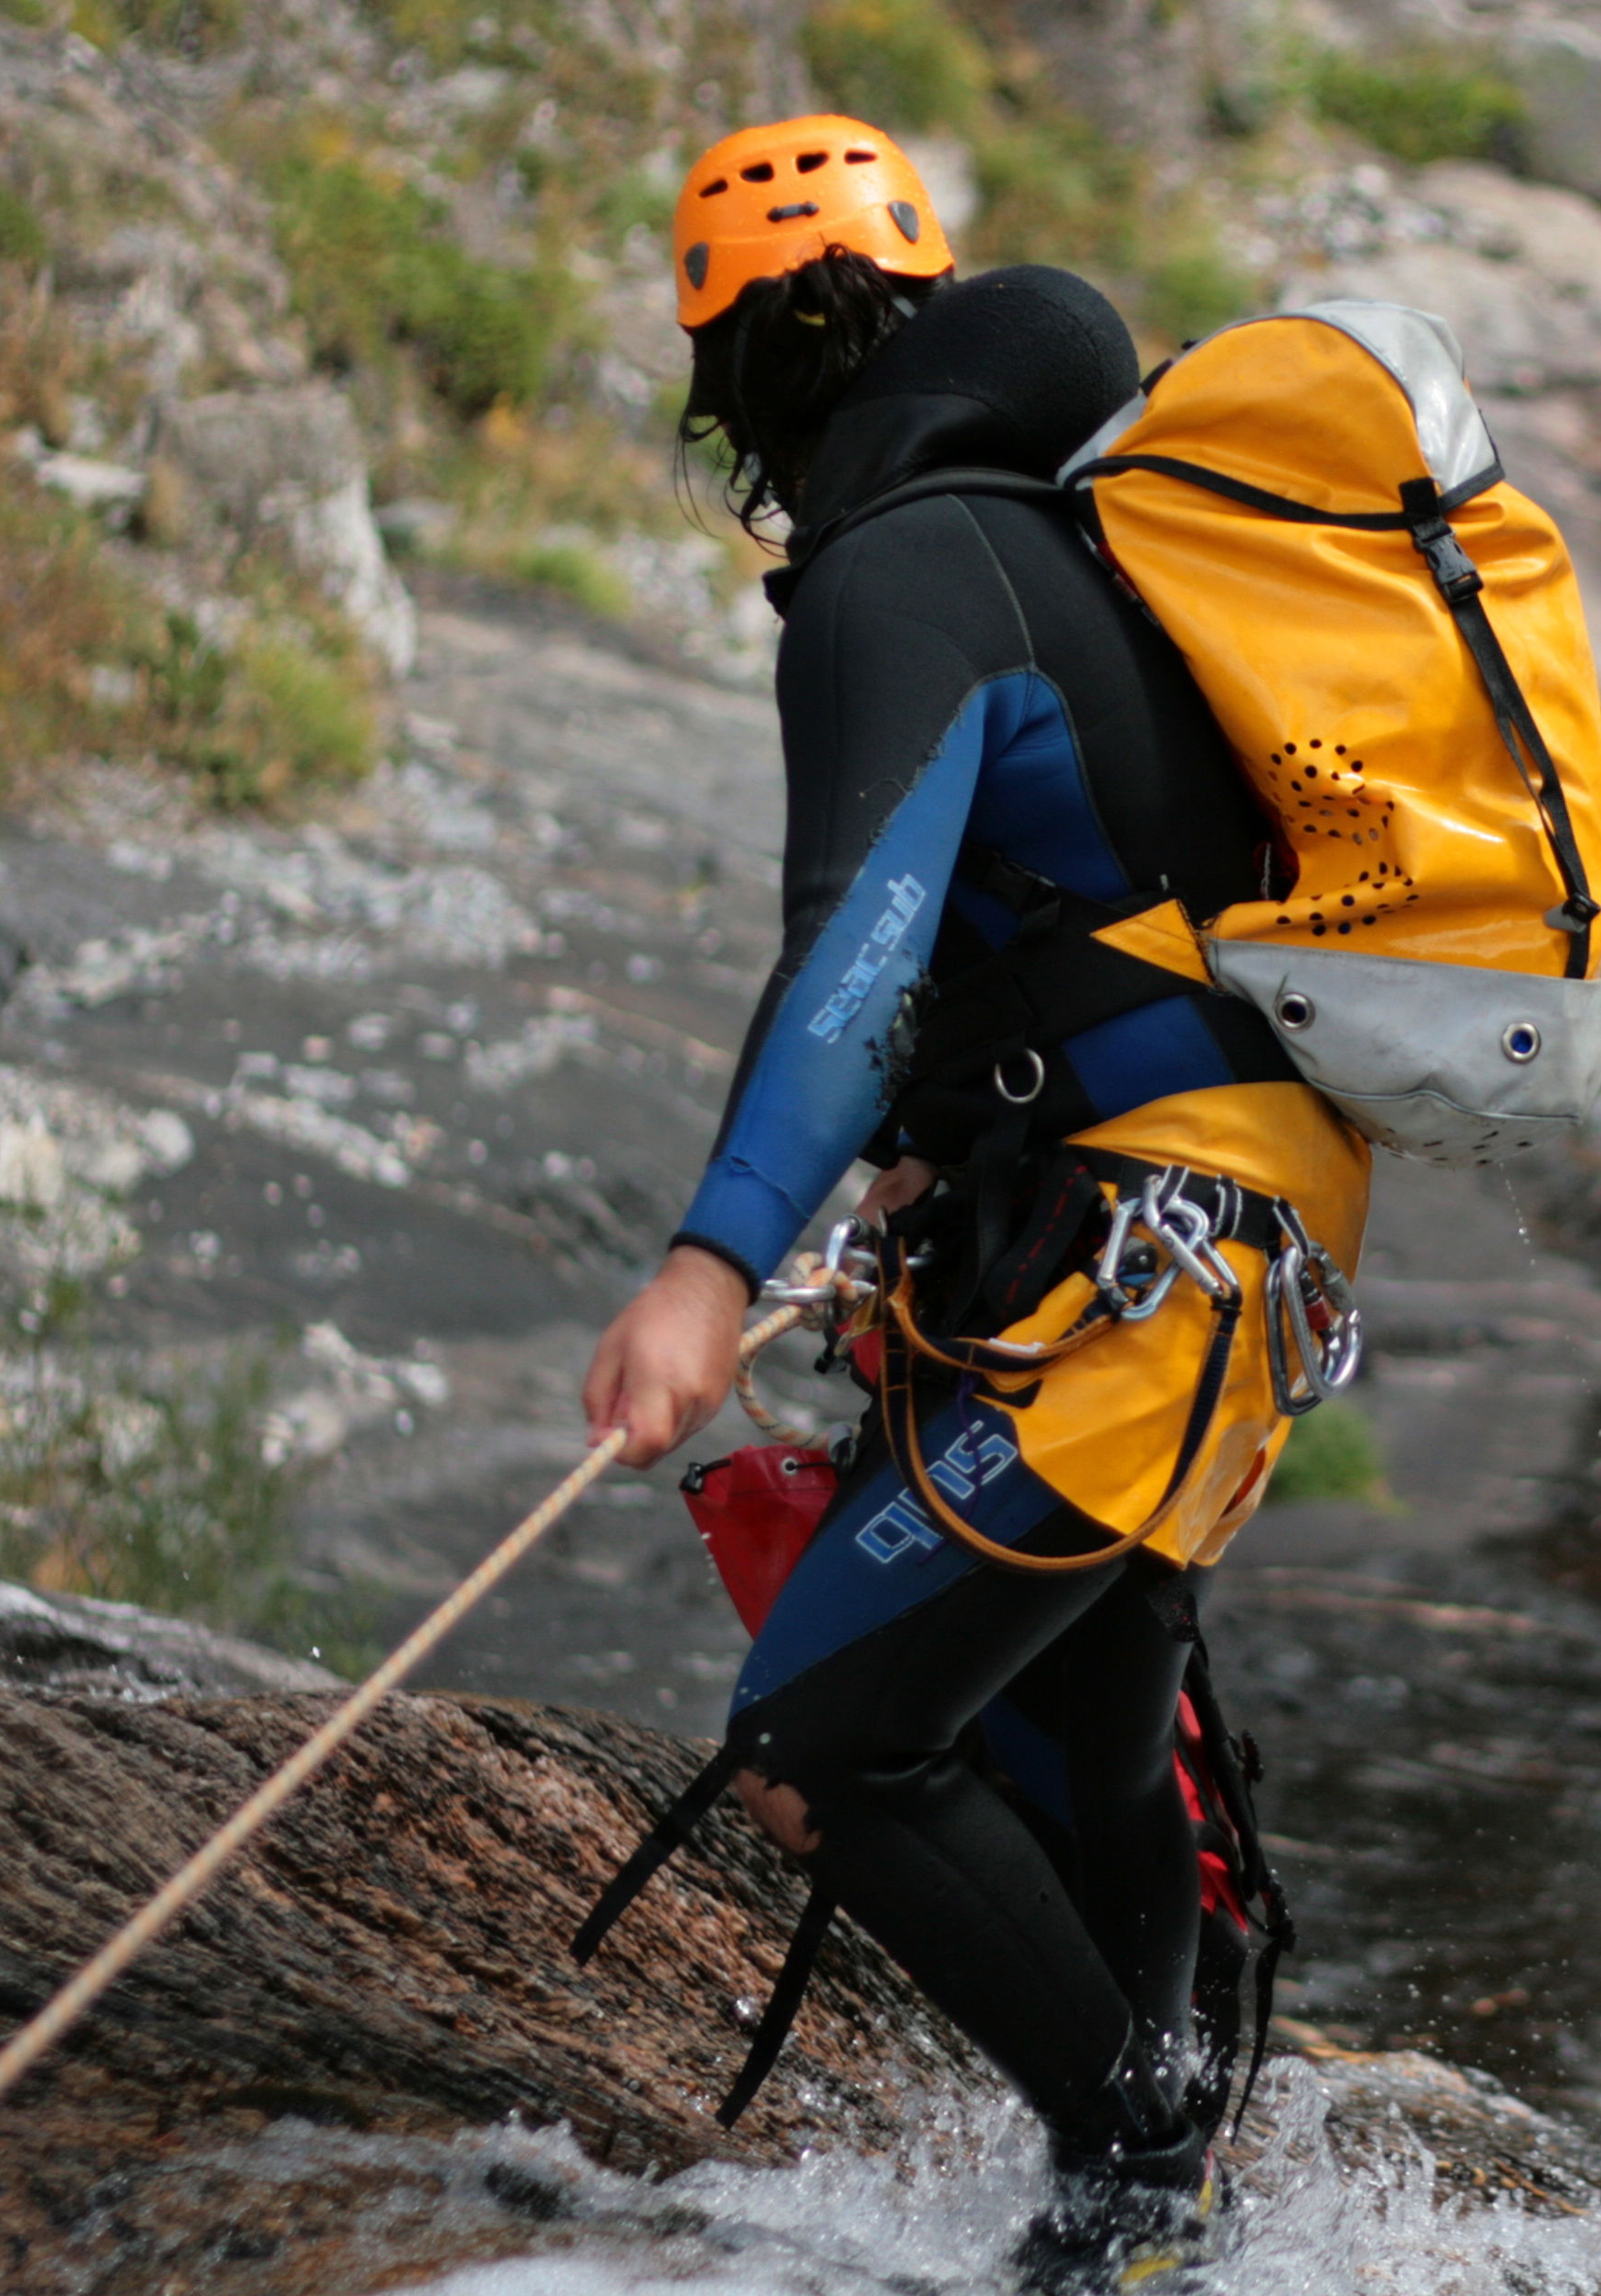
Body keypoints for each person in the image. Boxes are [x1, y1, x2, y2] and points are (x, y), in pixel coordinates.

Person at [579, 115, 1366, 2292]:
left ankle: (1136, 2194)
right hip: (1233, 1247)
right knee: (1093, 1726)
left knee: (835, 1732)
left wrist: (711, 1258)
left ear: (746, 379)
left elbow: (859, 941)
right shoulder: (1071, 542)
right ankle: (1164, 2185)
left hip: (1148, 1260)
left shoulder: (901, 568)